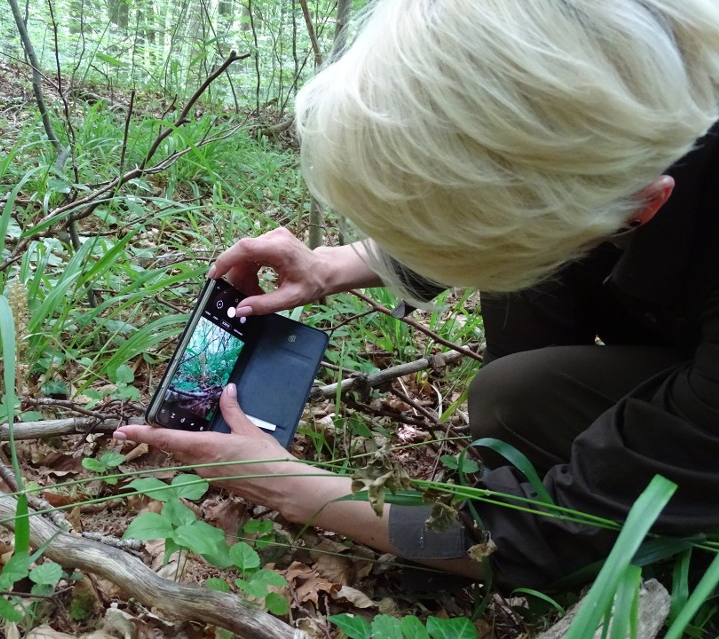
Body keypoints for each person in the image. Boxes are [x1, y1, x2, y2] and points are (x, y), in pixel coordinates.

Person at [114, 0, 719, 589]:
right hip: (677, 320)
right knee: (514, 393)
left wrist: (297, 489)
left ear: (644, 207)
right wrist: (330, 265)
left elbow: (552, 533)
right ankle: (525, 461)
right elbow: (516, 202)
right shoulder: (622, 94)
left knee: (518, 381)